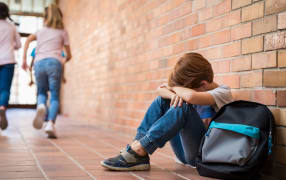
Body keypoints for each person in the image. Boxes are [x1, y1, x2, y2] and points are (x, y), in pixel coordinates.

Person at [101, 53, 233, 171]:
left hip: (202, 155)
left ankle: (141, 149)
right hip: (183, 152)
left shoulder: (223, 92)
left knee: (183, 107)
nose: (181, 90)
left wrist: (173, 88)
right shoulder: (193, 89)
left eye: (185, 89)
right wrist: (171, 93)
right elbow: (160, 90)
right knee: (163, 100)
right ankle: (137, 151)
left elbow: (191, 97)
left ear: (203, 84)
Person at [22, 4, 72, 138]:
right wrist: (62, 61)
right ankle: (50, 123)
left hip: (38, 63)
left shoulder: (40, 31)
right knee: (55, 96)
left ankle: (41, 105)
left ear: (46, 17)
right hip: (54, 62)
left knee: (41, 92)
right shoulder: (62, 31)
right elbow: (68, 55)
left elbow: (27, 41)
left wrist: (24, 60)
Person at [0, 2, 21, 130]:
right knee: (5, 89)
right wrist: (10, 45)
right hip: (8, 60)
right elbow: (18, 44)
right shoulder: (11, 27)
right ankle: (2, 107)